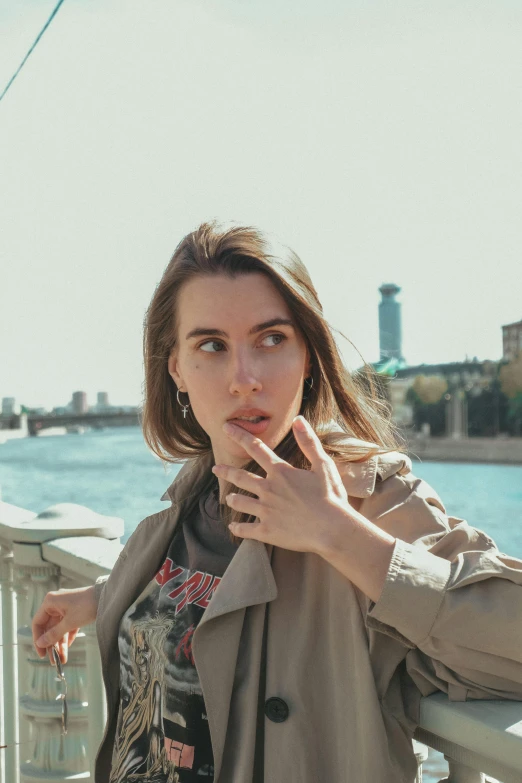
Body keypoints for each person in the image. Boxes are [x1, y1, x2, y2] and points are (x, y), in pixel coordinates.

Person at [33, 222, 522, 783]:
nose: (245, 379)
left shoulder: (364, 498)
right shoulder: (194, 499)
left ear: (309, 356)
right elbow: (223, 595)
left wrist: (338, 536)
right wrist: (111, 594)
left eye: (271, 339)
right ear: (176, 370)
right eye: (212, 346)